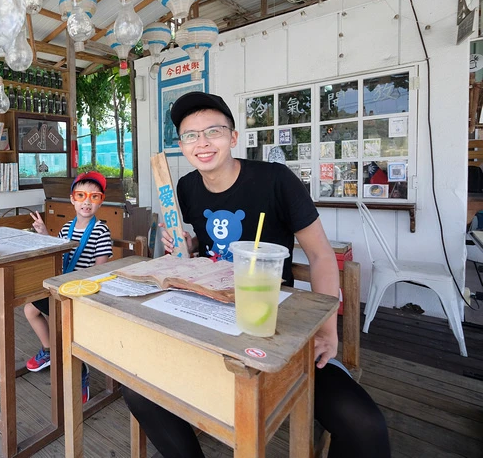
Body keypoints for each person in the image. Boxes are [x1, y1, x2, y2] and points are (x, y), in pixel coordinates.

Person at [122, 92, 390, 458]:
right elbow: (208, 242)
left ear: (233, 137)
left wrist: (327, 331)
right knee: (137, 385)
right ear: (181, 146)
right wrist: (188, 240)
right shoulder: (186, 188)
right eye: (190, 135)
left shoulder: (275, 180)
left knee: (364, 425)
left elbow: (321, 255)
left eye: (212, 131)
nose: (202, 143)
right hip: (209, 318)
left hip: (273, 323)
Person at [27, 170, 113, 403]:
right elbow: (59, 250)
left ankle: (81, 371)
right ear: (72, 199)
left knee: (68, 329)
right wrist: (44, 233)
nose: (87, 201)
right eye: (81, 195)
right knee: (30, 308)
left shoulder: (101, 231)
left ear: (100, 201)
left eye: (94, 197)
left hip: (82, 293)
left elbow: (100, 271)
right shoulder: (67, 227)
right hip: (63, 286)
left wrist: (80, 290)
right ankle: (49, 351)